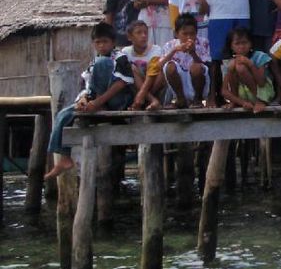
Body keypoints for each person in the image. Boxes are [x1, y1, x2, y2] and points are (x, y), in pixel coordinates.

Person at [44, 22, 135, 179]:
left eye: (105, 42)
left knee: (102, 63)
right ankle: (64, 158)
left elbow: (122, 83)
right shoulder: (94, 61)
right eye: (98, 42)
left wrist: (98, 102)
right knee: (63, 114)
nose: (101, 46)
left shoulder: (120, 57)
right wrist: (83, 99)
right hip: (97, 101)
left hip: (118, 101)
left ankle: (98, 105)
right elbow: (88, 85)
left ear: (113, 43)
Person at [156, 13, 212, 108]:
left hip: (198, 82)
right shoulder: (170, 45)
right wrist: (174, 50)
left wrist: (193, 53)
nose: (189, 37)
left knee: (196, 67)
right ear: (177, 34)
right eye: (185, 34)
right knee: (170, 66)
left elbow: (207, 66)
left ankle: (197, 100)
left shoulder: (203, 42)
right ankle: (180, 99)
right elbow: (159, 66)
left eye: (192, 33)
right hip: (179, 83)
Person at [221, 26, 275, 113]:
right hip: (244, 97)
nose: (241, 47)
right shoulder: (228, 62)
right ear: (231, 46)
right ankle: (235, 102)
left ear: (251, 43)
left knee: (241, 68)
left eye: (245, 43)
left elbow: (261, 82)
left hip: (263, 93)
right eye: (237, 43)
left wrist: (250, 64)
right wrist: (242, 103)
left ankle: (259, 101)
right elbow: (224, 91)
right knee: (234, 67)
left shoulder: (259, 56)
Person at [123, 20, 163, 110]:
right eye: (139, 33)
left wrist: (142, 94)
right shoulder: (125, 51)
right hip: (136, 88)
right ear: (130, 37)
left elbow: (152, 72)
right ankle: (151, 100)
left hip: (152, 86)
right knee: (131, 68)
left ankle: (145, 101)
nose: (143, 36)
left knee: (160, 70)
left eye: (145, 32)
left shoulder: (156, 49)